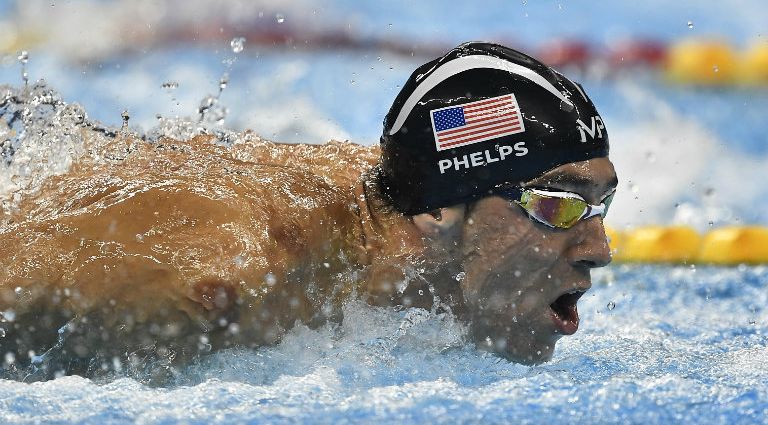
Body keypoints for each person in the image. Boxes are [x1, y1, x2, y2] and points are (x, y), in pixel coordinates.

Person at [0, 42, 616, 379]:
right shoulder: (220, 283)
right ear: (438, 214)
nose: (599, 250)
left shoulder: (395, 204)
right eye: (556, 207)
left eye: (599, 204)